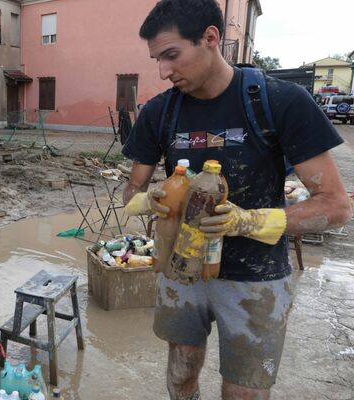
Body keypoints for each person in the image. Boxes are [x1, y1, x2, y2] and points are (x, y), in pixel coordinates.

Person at [121, 1, 352, 399]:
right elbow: (132, 190)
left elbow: (336, 206)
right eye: (157, 59)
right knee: (181, 371)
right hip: (182, 268)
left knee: (244, 392)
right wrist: (145, 201)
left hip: (256, 276)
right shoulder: (159, 112)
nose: (163, 71)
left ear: (210, 38)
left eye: (172, 55)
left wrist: (248, 221)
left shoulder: (279, 101)